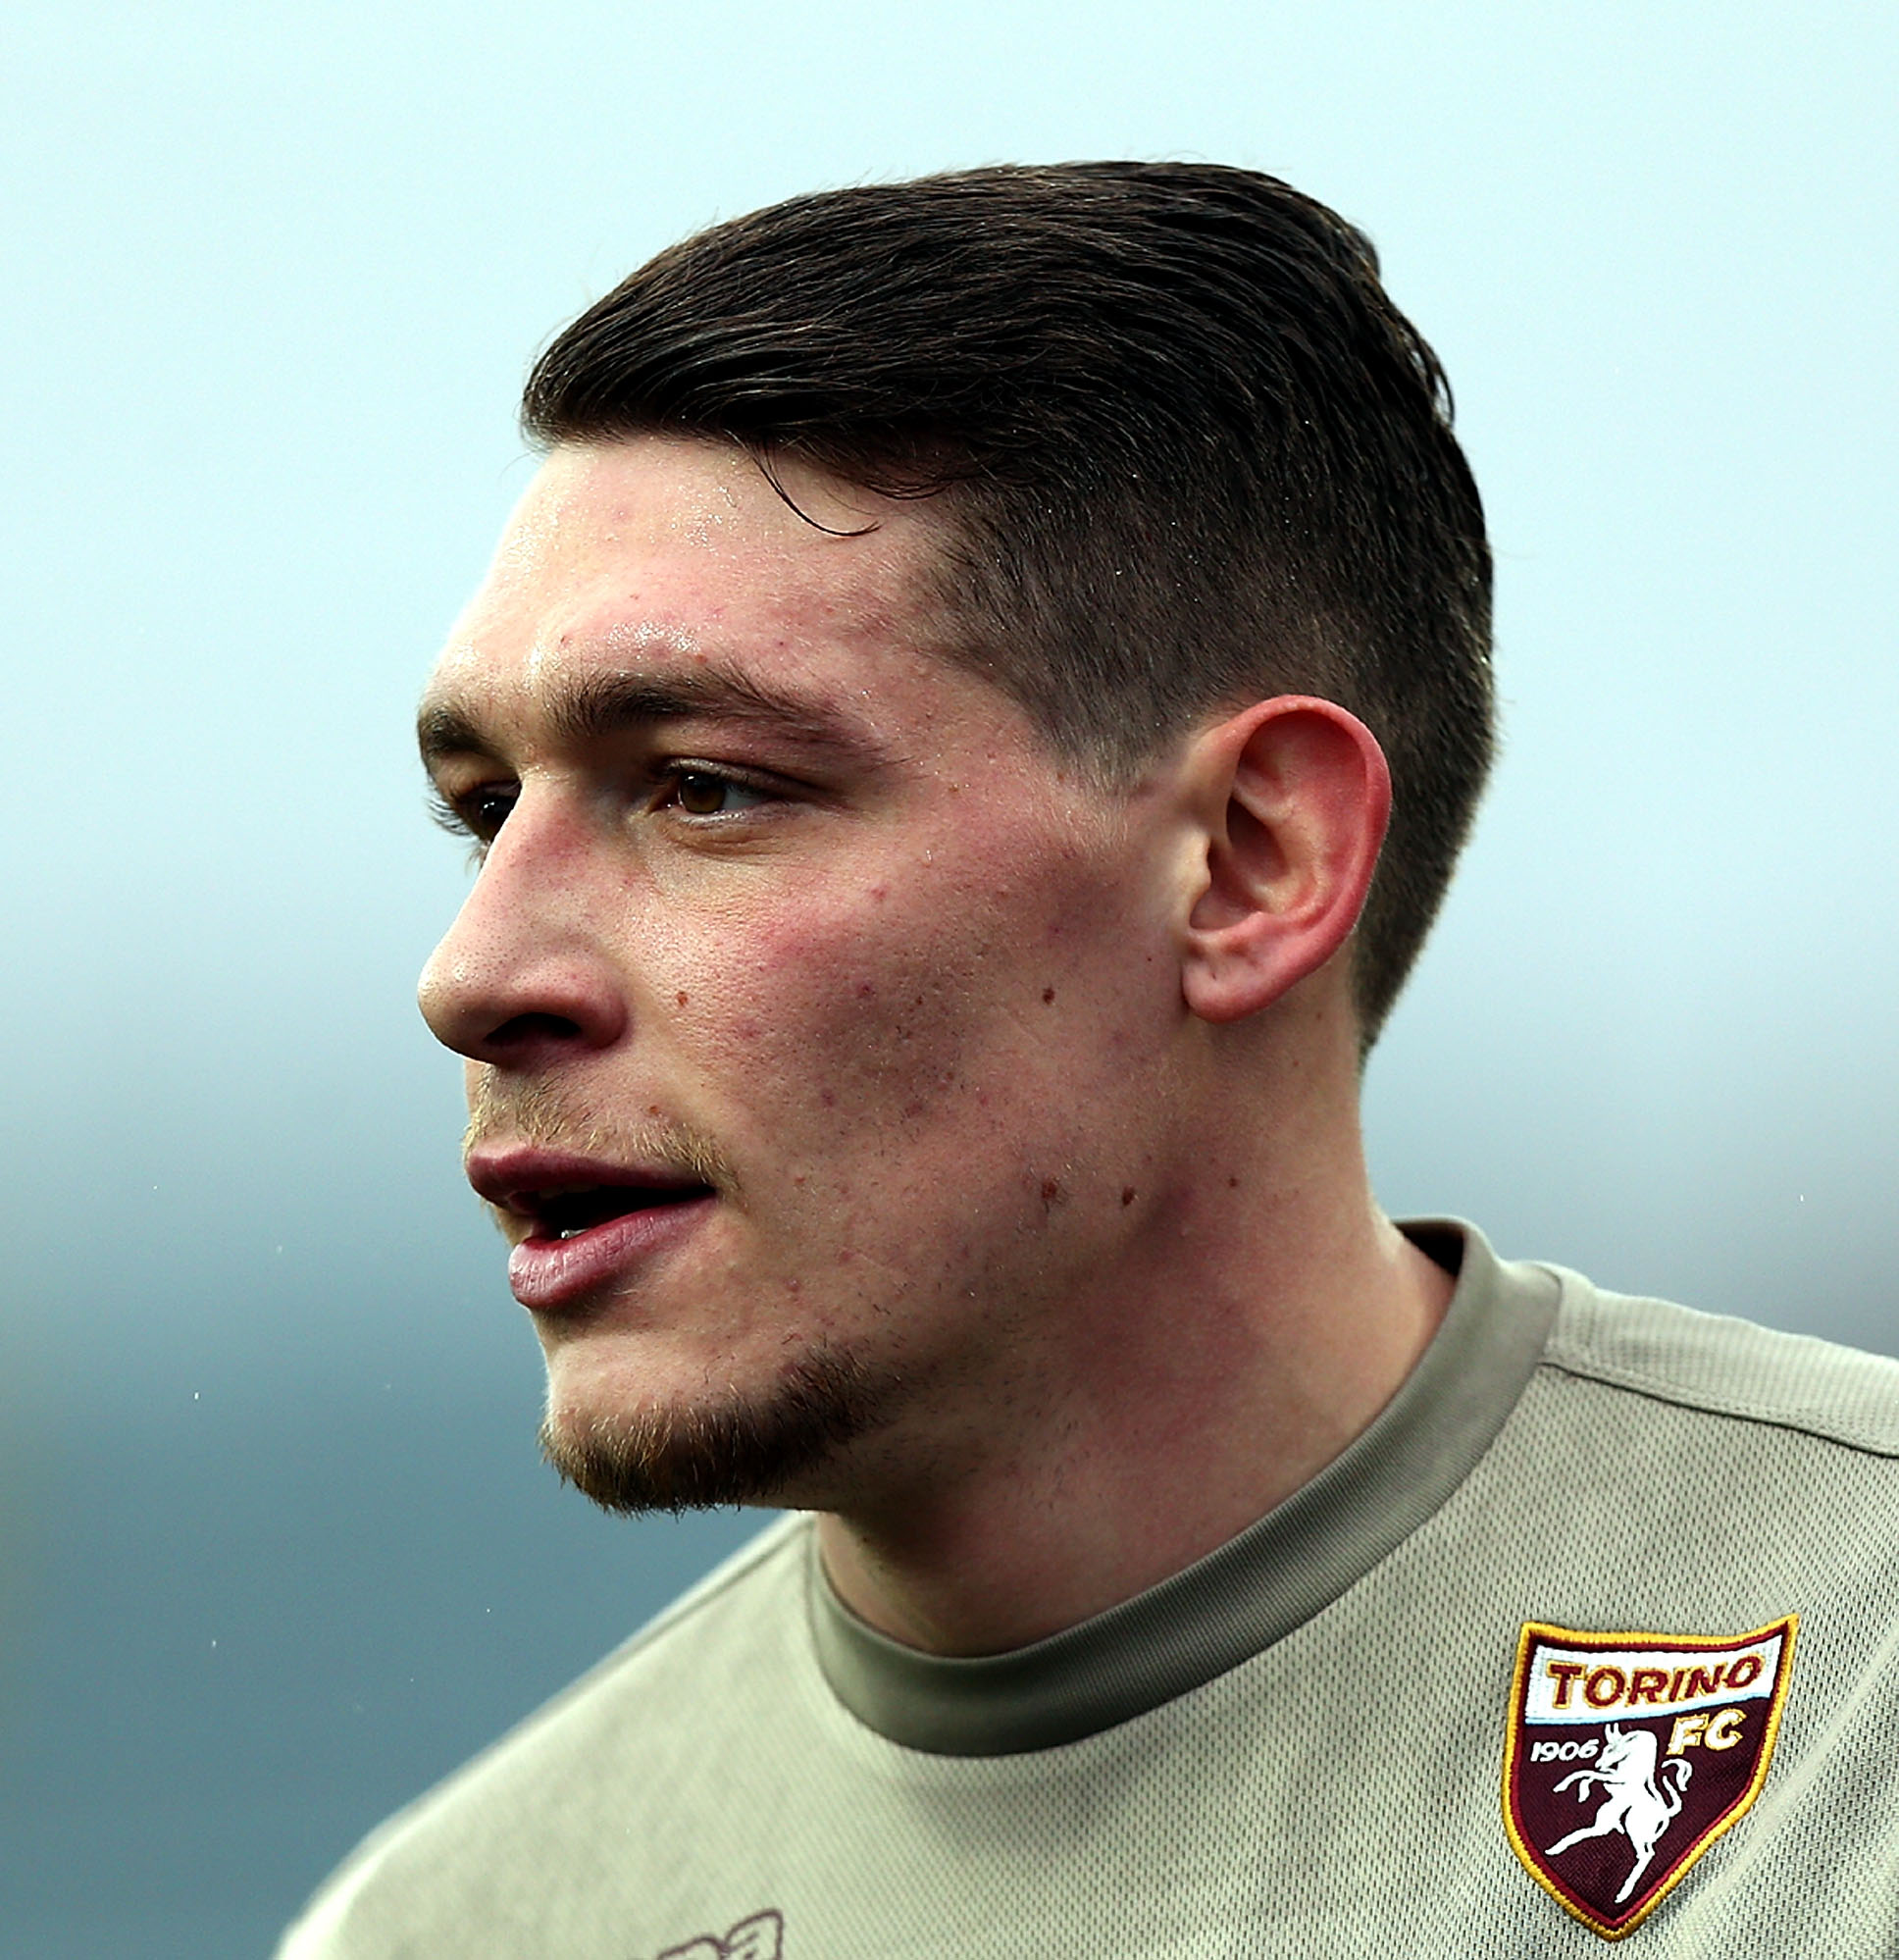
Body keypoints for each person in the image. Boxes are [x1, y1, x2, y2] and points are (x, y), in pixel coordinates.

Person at [277, 163, 1899, 1957]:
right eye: (484, 813)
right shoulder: (454, 1925)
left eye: (707, 785)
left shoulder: (1855, 1710)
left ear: (1249, 862)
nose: (473, 972)